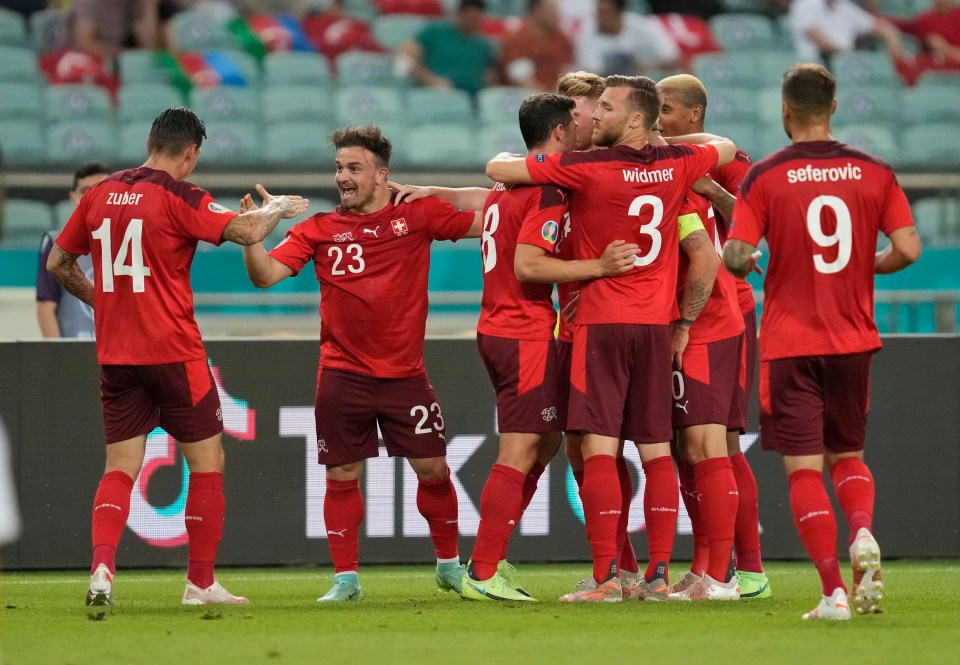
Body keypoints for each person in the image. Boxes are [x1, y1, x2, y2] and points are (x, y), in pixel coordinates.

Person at [46, 106, 309, 608]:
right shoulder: (180, 194)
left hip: (117, 355)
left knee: (120, 465)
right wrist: (277, 209)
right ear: (190, 155)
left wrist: (103, 300)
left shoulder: (100, 193)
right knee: (208, 463)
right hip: (173, 352)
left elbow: (59, 261)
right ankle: (200, 583)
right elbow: (248, 232)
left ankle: (102, 567)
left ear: (150, 141)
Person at [488, 75, 736, 602]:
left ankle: (606, 579)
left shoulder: (584, 168)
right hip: (656, 328)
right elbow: (725, 149)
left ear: (637, 118)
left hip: (599, 324)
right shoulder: (677, 167)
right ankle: (660, 575)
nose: (594, 116)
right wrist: (684, 323)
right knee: (658, 448)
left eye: (605, 107)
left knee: (598, 446)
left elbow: (498, 169)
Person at [241, 124, 482, 603]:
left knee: (433, 469)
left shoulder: (417, 215)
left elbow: (491, 219)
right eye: (338, 168)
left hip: (405, 375)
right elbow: (265, 276)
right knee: (341, 475)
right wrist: (251, 237)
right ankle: (346, 579)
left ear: (381, 175)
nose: (343, 178)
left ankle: (449, 566)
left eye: (353, 168)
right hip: (342, 374)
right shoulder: (316, 229)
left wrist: (451, 191)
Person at [722, 63, 921, 620]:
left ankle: (833, 592)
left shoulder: (763, 176)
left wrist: (744, 257)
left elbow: (737, 256)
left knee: (804, 468)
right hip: (853, 339)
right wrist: (864, 267)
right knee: (849, 456)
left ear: (784, 110)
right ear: (834, 108)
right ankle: (862, 532)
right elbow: (908, 249)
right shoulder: (874, 171)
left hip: (790, 341)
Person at [656, 73, 772, 600]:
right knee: (691, 445)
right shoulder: (661, 160)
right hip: (686, 312)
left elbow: (750, 226)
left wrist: (708, 186)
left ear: (694, 114)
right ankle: (711, 565)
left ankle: (740, 569)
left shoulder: (721, 158)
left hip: (722, 311)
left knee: (717, 442)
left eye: (665, 109)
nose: (657, 119)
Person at [36, 162, 109, 339]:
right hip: (74, 354)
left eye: (101, 190)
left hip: (117, 354)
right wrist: (59, 358)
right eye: (86, 191)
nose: (94, 197)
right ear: (73, 198)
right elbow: (46, 307)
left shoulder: (130, 239)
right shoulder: (55, 243)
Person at [394, 0, 497, 96]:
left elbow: (489, 76)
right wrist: (431, 80)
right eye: (471, 19)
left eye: (478, 19)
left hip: (471, 98)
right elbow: (404, 57)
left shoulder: (483, 44)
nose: (474, 23)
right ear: (460, 14)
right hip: (436, 94)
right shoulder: (434, 31)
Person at [573, 0, 682, 77]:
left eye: (605, 13)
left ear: (618, 12)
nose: (599, 17)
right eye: (598, 12)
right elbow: (591, 75)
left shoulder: (645, 26)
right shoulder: (587, 35)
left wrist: (648, 67)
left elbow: (675, 60)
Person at [787, 0, 904, 62]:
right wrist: (848, 54)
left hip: (846, 60)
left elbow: (877, 26)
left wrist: (891, 37)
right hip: (818, 61)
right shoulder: (804, 4)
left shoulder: (844, 5)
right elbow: (816, 38)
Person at [497, 0, 573, 92]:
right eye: (551, 10)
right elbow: (522, 79)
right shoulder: (516, 40)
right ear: (536, 11)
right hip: (524, 97)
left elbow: (565, 71)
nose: (557, 14)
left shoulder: (561, 39)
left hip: (557, 96)